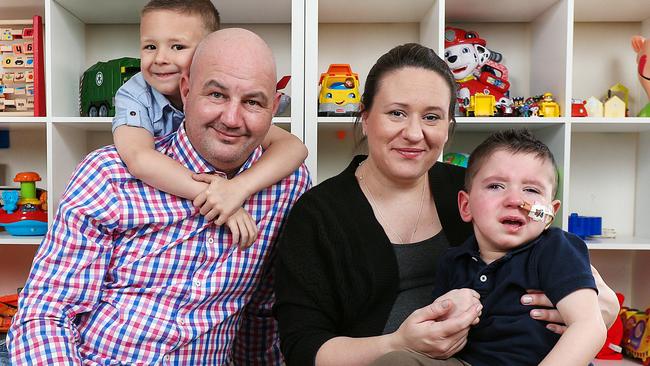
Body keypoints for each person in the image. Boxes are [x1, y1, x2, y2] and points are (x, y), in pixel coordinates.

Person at [273, 43, 618, 366]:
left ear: (449, 126)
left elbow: (562, 262)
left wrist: (602, 307)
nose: (413, 132)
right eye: (396, 113)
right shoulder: (318, 214)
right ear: (365, 116)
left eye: (432, 117)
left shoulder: (482, 190)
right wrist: (396, 342)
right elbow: (302, 347)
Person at [8, 28, 310, 365]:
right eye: (216, 95)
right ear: (186, 89)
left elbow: (262, 313)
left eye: (253, 102)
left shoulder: (286, 185)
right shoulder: (109, 174)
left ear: (274, 109)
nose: (231, 119)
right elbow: (47, 314)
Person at [373, 129, 607, 365]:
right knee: (395, 361)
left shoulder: (556, 248)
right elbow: (440, 341)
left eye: (532, 190)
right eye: (496, 186)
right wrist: (449, 314)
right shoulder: (454, 261)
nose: (515, 200)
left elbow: (589, 325)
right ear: (466, 206)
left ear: (549, 214)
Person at [112, 0, 308, 248]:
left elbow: (294, 148)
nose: (160, 58)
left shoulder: (231, 110)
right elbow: (139, 158)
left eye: (177, 46)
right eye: (150, 46)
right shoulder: (135, 95)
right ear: (186, 90)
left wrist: (238, 188)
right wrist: (216, 195)